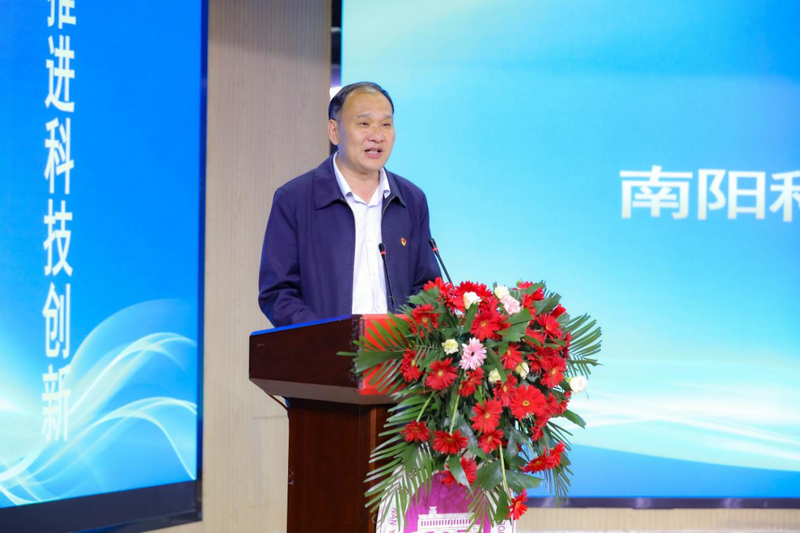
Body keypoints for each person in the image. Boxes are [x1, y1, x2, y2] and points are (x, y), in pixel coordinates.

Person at [258, 82, 440, 327]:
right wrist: (325, 337)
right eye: (364, 124)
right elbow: (277, 293)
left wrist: (407, 335)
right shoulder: (294, 199)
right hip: (324, 349)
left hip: (397, 349)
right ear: (334, 131)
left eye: (386, 124)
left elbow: (427, 288)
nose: (377, 135)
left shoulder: (412, 200)